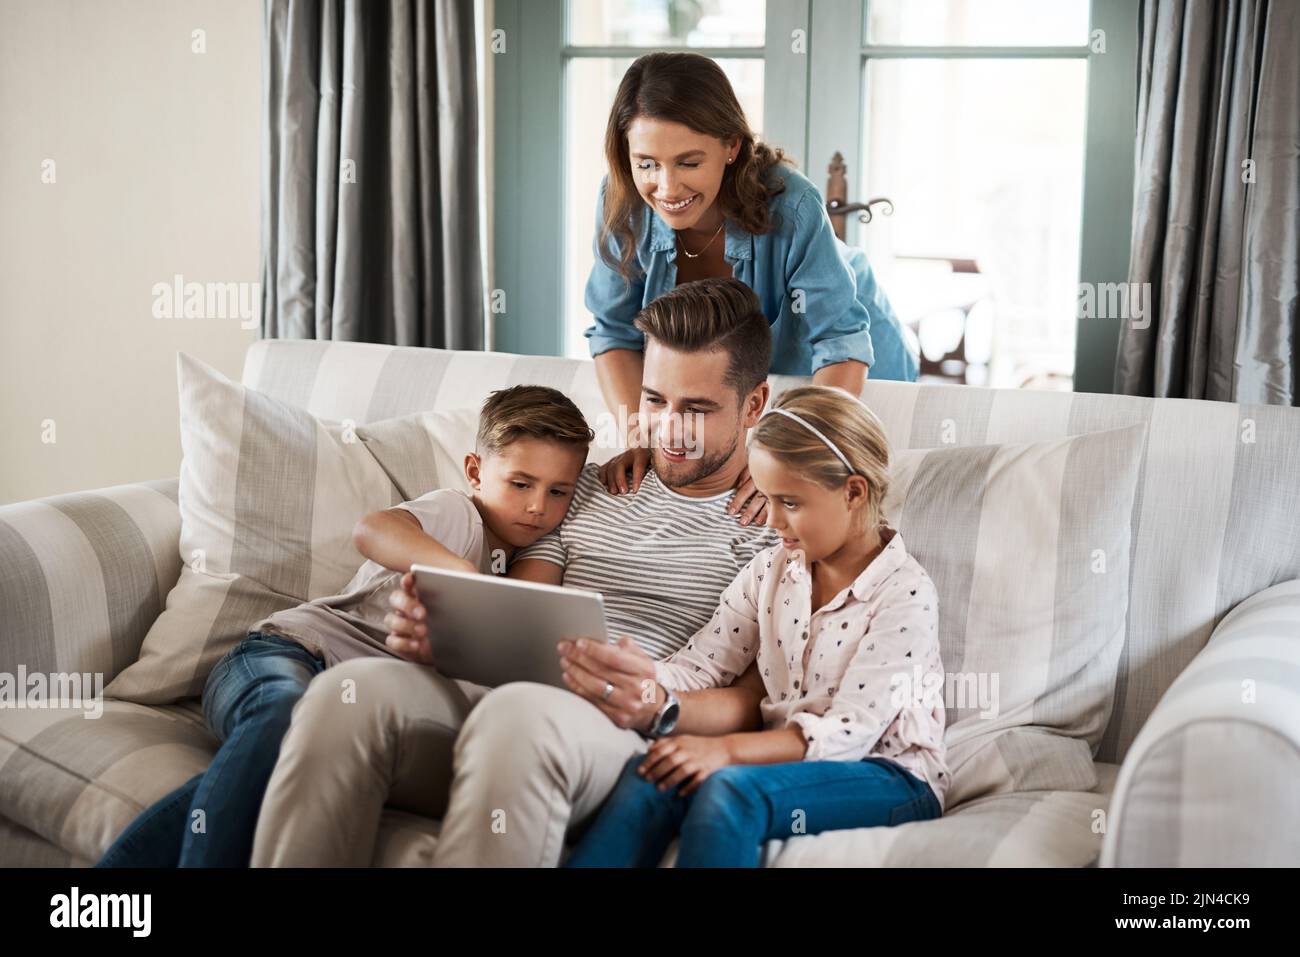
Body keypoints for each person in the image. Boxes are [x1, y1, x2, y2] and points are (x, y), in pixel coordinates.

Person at [247, 277, 786, 867]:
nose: (669, 431)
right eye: (655, 401)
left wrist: (659, 702)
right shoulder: (586, 488)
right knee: (346, 698)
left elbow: (757, 699)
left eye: (698, 409)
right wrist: (453, 636)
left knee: (518, 717)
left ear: (753, 405)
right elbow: (520, 609)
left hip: (617, 729)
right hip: (504, 695)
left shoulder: (777, 528)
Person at [96, 385, 591, 867]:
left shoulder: (531, 562)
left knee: (300, 749)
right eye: (521, 483)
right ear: (476, 472)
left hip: (349, 708)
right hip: (281, 655)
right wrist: (458, 574)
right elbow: (374, 529)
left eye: (557, 492)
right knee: (286, 719)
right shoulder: (458, 514)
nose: (537, 506)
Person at [565, 385, 947, 867]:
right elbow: (704, 665)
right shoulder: (770, 572)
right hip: (788, 762)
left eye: (789, 502)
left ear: (853, 492)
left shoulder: (904, 593)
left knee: (730, 791)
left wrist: (727, 751)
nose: (772, 521)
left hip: (888, 773)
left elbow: (851, 731)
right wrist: (642, 677)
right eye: (767, 499)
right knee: (654, 772)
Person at [589, 51, 919, 524]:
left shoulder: (795, 204)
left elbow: (840, 341)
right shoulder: (619, 199)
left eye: (688, 162)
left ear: (732, 146)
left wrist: (785, 460)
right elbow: (612, 332)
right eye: (646, 164)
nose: (666, 186)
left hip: (851, 345)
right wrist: (640, 435)